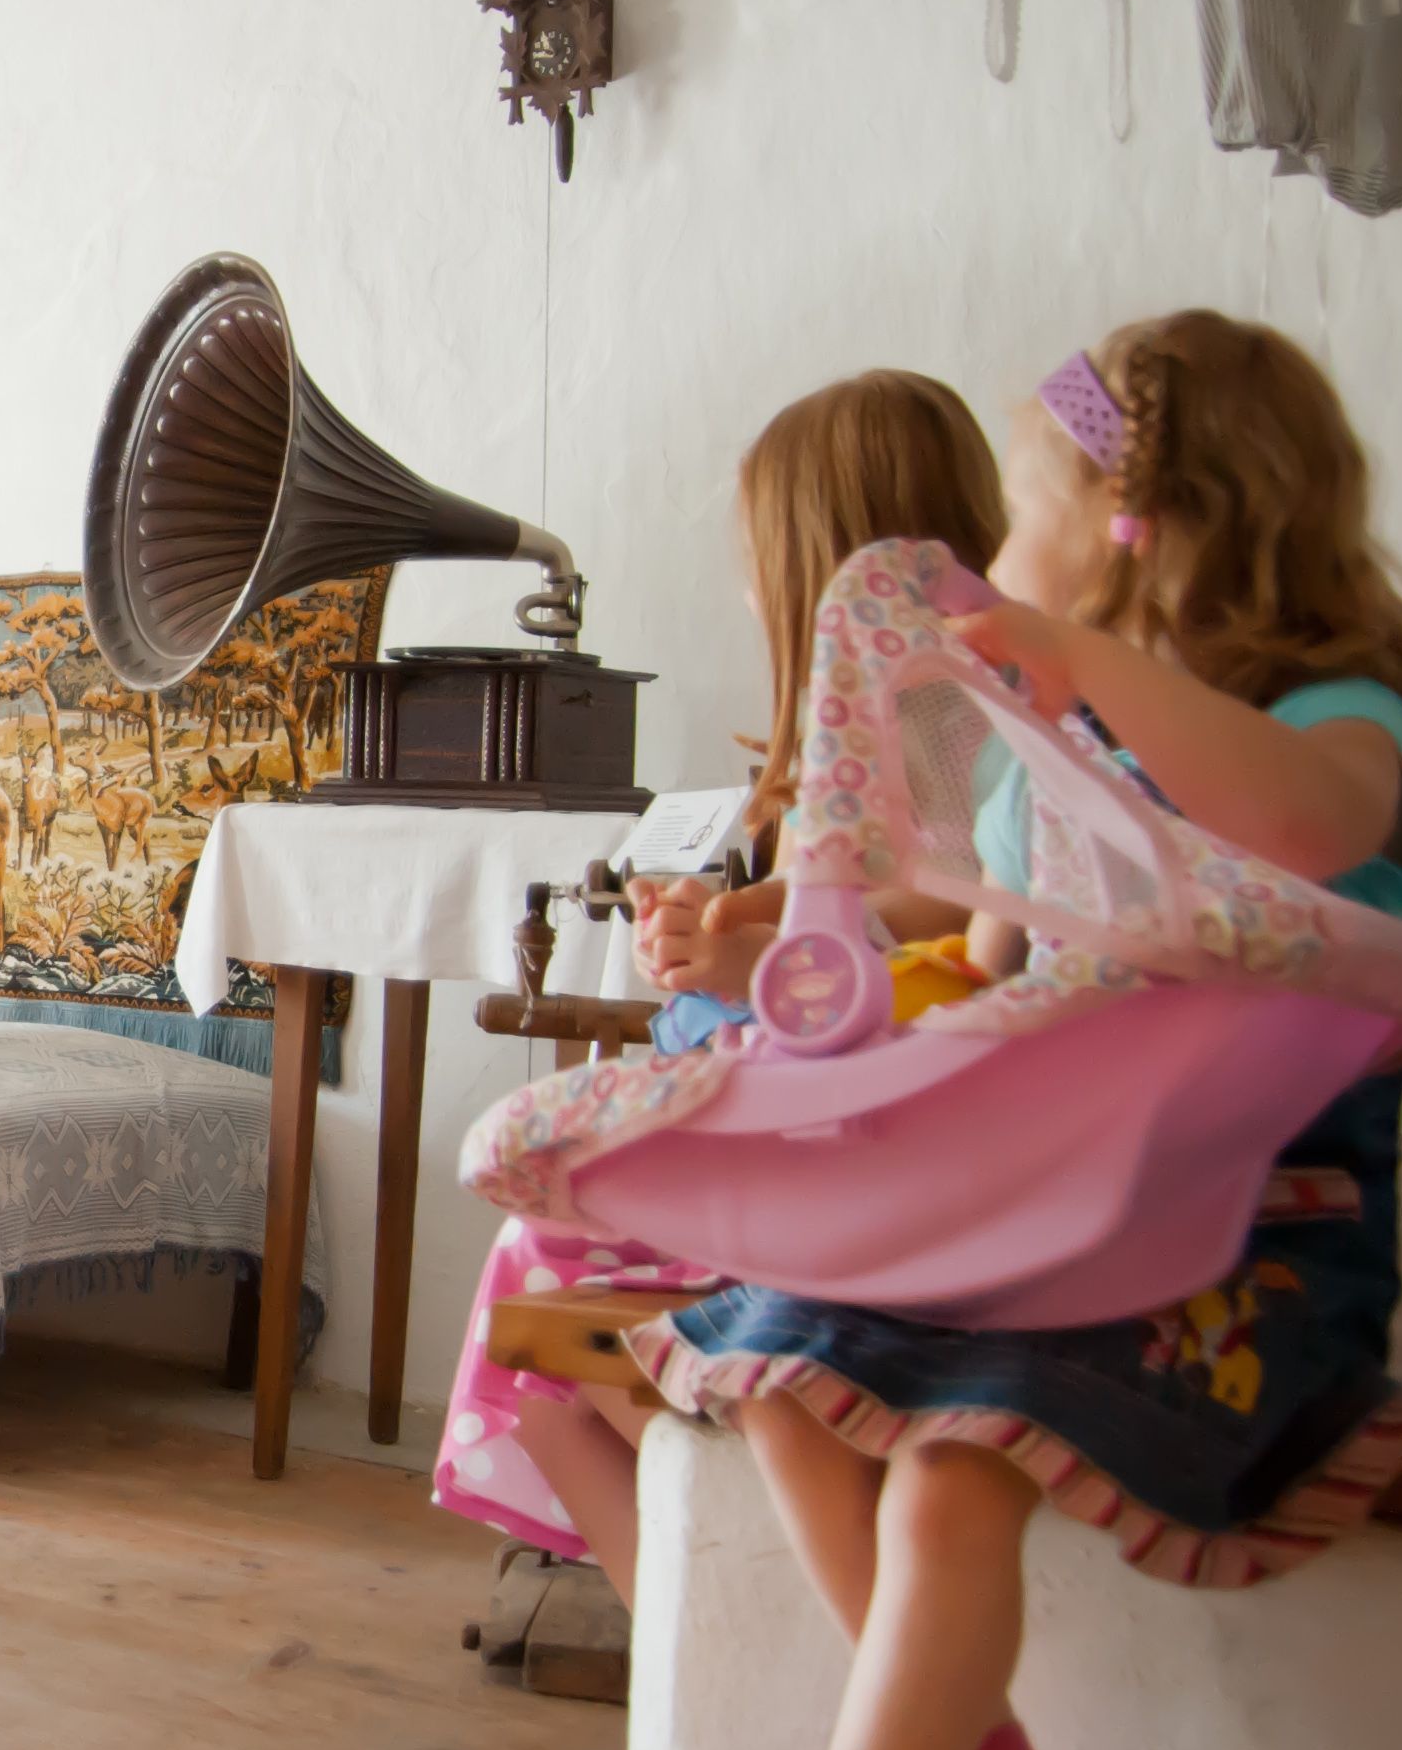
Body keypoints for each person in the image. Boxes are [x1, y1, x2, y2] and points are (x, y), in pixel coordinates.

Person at [598, 312, 1402, 1750]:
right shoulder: (1063, 743)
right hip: (1054, 1207)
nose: (997, 543)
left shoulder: (1343, 732)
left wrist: (1077, 673)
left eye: (1033, 504)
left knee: (954, 1464)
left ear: (1142, 525)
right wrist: (792, 938)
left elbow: (1300, 827)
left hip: (1244, 1247)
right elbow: (983, 958)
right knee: (777, 1363)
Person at [431, 370, 1009, 1604]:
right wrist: (733, 919)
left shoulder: (949, 713)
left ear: (822, 559)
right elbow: (862, 893)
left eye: (756, 559)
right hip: (830, 1131)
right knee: (543, 1356)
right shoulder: (901, 709)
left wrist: (755, 953)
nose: (747, 590)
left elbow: (956, 913)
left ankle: (726, 1624)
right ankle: (696, 1638)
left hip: (869, 1162)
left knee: (543, 1284)